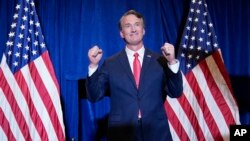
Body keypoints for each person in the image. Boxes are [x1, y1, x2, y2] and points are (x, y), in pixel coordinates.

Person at [86, 10, 183, 141]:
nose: (133, 29)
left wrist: (172, 62)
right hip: (121, 133)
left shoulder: (160, 61)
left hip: (156, 132)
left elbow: (175, 92)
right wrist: (93, 66)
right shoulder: (110, 63)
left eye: (137, 24)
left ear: (143, 30)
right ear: (121, 33)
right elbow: (94, 96)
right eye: (127, 26)